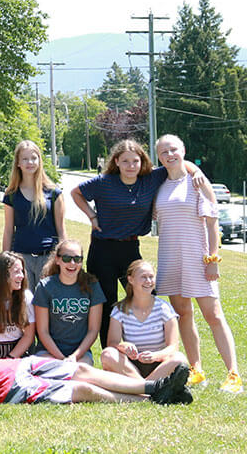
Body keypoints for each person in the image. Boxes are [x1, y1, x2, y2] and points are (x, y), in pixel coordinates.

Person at [0, 297, 192, 407]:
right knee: (82, 390)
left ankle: (155, 387)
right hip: (5, 390)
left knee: (81, 370)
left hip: (14, 368)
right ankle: (148, 401)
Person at [71, 138, 205, 348]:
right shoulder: (104, 182)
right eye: (125, 161)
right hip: (102, 249)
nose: (131, 166)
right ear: (116, 162)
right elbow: (76, 193)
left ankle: (154, 351)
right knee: (106, 304)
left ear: (142, 162)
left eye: (135, 161)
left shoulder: (151, 178)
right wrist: (92, 217)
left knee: (146, 296)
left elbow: (179, 162)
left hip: (130, 249)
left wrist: (196, 172)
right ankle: (111, 355)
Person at [154, 133, 241, 393]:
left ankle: (233, 374)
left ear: (183, 150)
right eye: (163, 152)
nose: (170, 155)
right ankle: (196, 369)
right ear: (158, 157)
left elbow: (213, 223)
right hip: (170, 258)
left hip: (198, 258)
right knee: (183, 314)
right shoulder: (158, 183)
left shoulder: (198, 182)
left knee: (213, 315)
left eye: (174, 149)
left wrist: (213, 259)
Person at [100, 259, 187, 382]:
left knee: (179, 359)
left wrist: (155, 356)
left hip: (159, 365)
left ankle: (141, 387)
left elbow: (173, 347)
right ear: (130, 279)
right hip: (131, 366)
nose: (148, 281)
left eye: (151, 277)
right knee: (107, 354)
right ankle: (146, 387)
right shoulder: (119, 310)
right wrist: (124, 346)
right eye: (144, 277)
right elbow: (112, 343)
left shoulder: (164, 308)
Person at [1, 140, 65, 291]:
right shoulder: (11, 195)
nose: (30, 162)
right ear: (18, 163)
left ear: (39, 161)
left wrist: (64, 257)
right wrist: (5, 259)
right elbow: (8, 230)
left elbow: (61, 230)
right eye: (25, 158)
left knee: (46, 307)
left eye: (34, 158)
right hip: (22, 258)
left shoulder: (54, 193)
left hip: (48, 257)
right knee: (25, 306)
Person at [33, 239, 105, 365]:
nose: (72, 263)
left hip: (80, 354)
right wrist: (61, 359)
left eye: (77, 259)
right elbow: (42, 331)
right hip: (48, 352)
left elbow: (93, 330)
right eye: (66, 258)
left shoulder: (92, 286)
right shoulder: (45, 287)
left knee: (81, 372)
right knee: (50, 372)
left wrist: (74, 357)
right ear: (57, 260)